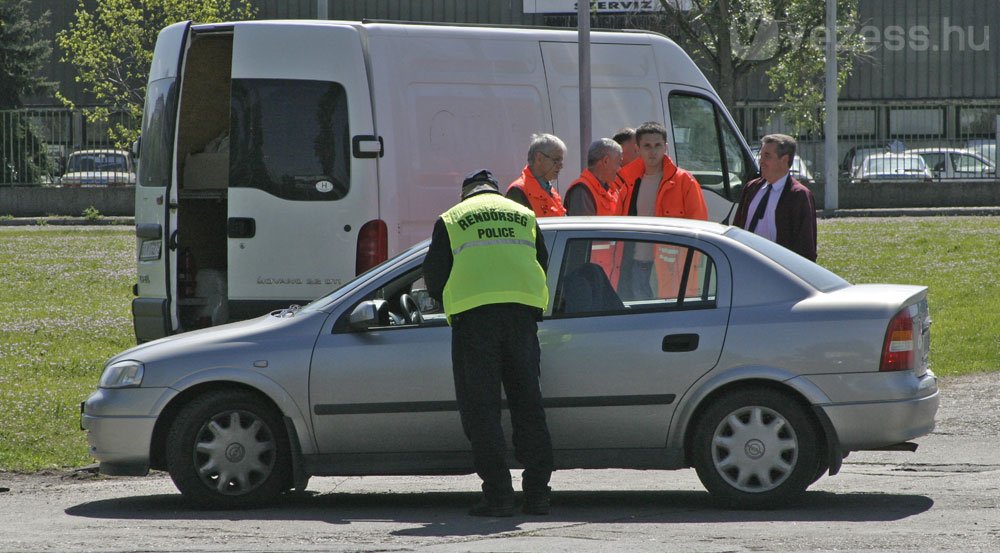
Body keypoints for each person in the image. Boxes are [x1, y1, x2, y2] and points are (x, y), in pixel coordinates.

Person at [423, 169, 554, 517]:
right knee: (529, 404)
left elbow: (434, 278)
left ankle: (499, 496)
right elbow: (542, 261)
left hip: (474, 323)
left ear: (466, 194)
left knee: (482, 410)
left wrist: (453, 299)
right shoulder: (523, 214)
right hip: (521, 319)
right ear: (495, 192)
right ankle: (538, 494)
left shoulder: (452, 218)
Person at [615, 121, 708, 298]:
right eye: (647, 146)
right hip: (636, 262)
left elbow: (700, 228)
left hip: (671, 268)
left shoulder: (684, 181)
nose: (653, 151)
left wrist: (690, 266)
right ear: (638, 149)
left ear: (665, 147)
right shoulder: (627, 180)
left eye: (658, 145)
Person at [733, 134, 817, 261]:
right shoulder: (751, 188)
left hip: (777, 270)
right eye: (761, 156)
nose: (761, 161)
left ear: (784, 160)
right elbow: (737, 227)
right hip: (746, 264)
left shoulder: (798, 195)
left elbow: (805, 246)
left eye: (767, 156)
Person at [506, 133, 568, 217]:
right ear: (539, 158)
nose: (561, 166)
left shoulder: (550, 190)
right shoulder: (518, 191)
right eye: (556, 160)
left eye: (561, 161)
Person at [564, 138, 623, 216]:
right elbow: (584, 227)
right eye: (618, 163)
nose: (620, 169)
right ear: (606, 161)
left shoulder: (610, 188)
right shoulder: (582, 190)